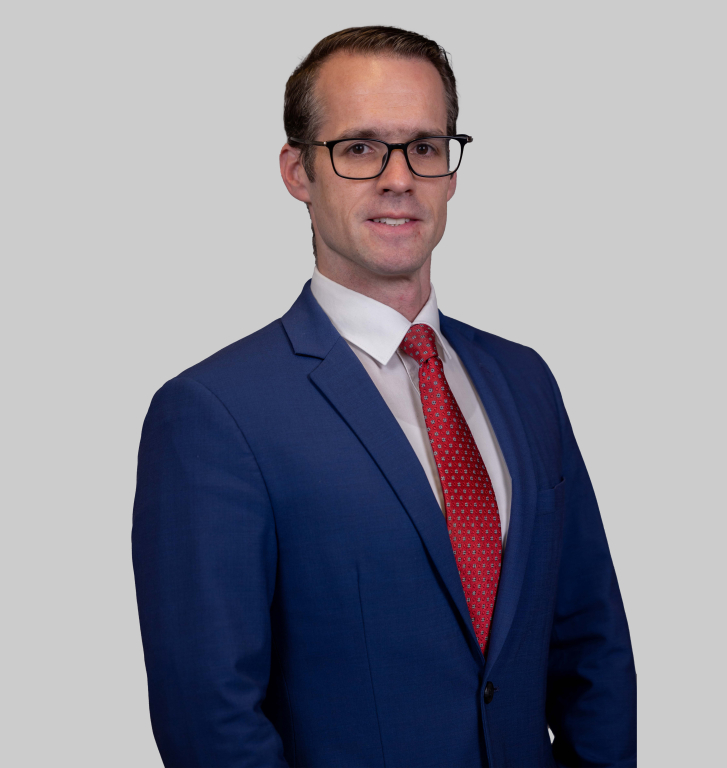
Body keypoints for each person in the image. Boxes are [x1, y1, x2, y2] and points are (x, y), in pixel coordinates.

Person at [132, 25, 636, 768]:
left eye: (424, 147)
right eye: (361, 147)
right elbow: (210, 719)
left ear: (450, 173)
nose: (399, 178)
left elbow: (591, 646)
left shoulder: (525, 379)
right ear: (298, 171)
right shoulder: (213, 414)